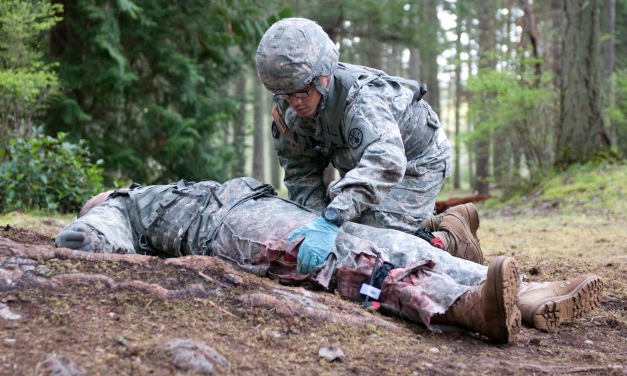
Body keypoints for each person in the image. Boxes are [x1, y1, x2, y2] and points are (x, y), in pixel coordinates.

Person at [55, 178, 603, 343]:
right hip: (230, 230)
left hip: (256, 210)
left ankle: (524, 294)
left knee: (383, 240)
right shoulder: (121, 206)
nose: (108, 192)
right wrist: (101, 215)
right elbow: (82, 241)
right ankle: (467, 307)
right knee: (352, 259)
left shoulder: (154, 192)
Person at [255, 17, 482, 266]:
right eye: (285, 94)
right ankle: (428, 221)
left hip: (416, 162)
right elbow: (300, 172)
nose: (294, 102)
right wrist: (314, 219)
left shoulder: (362, 100)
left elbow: (387, 162)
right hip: (365, 166)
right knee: (340, 232)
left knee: (371, 245)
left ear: (324, 75)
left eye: (301, 91)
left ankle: (451, 238)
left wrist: (332, 218)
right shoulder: (288, 110)